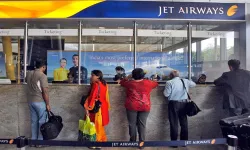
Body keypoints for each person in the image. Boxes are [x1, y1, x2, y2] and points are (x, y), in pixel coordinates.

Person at [119, 68, 158, 144]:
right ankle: (141, 143)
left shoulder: (129, 83)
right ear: (143, 75)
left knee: (132, 124)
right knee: (142, 125)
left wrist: (127, 77)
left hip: (132, 106)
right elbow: (156, 84)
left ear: (133, 75)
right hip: (145, 106)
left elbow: (122, 82)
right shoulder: (148, 83)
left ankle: (132, 142)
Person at [163, 70, 196, 147]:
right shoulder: (185, 81)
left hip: (173, 104)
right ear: (178, 75)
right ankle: (184, 142)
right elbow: (194, 84)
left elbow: (166, 94)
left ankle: (174, 144)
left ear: (171, 76)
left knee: (174, 123)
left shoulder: (169, 82)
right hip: (184, 103)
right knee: (184, 123)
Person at [26, 60, 51, 146]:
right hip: (39, 101)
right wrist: (47, 104)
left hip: (30, 101)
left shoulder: (28, 73)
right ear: (43, 67)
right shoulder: (42, 75)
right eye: (45, 67)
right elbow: (45, 91)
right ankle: (40, 143)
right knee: (42, 122)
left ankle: (33, 142)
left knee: (34, 122)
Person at [84, 70, 110, 142]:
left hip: (96, 109)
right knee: (99, 126)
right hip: (102, 107)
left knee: (95, 126)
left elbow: (92, 97)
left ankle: (96, 143)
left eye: (92, 75)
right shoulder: (104, 84)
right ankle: (102, 140)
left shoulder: (96, 84)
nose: (91, 77)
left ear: (98, 76)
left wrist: (87, 109)